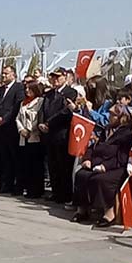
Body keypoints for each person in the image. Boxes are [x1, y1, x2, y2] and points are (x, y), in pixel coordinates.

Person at [72, 103, 132, 226]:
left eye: (112, 115)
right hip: (97, 163)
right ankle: (82, 209)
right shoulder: (106, 130)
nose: (109, 116)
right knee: (81, 175)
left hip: (116, 166)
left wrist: (105, 166)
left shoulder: (127, 134)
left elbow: (122, 157)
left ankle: (109, 212)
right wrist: (88, 159)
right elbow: (93, 147)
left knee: (102, 180)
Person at [39, 68, 79, 203]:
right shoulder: (49, 94)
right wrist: (42, 124)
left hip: (62, 133)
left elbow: (66, 112)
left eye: (58, 77)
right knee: (53, 164)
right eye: (53, 77)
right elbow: (43, 110)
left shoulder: (70, 92)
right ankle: (56, 192)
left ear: (65, 77)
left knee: (64, 165)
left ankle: (65, 194)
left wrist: (49, 123)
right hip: (49, 134)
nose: (55, 80)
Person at [0, 66, 24, 196]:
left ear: (13, 74)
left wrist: (4, 119)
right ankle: (6, 183)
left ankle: (18, 185)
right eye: (2, 74)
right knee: (4, 157)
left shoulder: (18, 88)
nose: (3, 76)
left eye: (6, 74)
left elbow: (16, 107)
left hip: (11, 128)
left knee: (15, 157)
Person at [16, 80, 45, 199]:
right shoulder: (23, 103)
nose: (27, 91)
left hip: (35, 136)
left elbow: (39, 118)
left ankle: (37, 189)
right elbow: (17, 118)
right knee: (26, 164)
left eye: (30, 89)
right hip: (24, 137)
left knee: (36, 165)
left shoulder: (40, 102)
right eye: (26, 88)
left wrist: (30, 130)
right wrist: (21, 129)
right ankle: (28, 188)